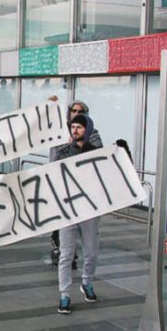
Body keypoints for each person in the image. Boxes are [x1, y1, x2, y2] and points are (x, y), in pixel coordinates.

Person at [48, 99, 103, 267]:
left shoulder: (92, 133)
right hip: (63, 187)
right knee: (62, 226)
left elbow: (97, 154)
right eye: (74, 111)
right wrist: (50, 107)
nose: (77, 114)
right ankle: (63, 252)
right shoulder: (59, 132)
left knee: (87, 230)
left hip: (85, 189)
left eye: (80, 111)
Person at [56, 114, 101, 315]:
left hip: (89, 210)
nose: (75, 130)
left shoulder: (97, 153)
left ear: (87, 129)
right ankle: (65, 294)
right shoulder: (63, 153)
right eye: (72, 127)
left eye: (79, 127)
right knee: (66, 255)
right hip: (67, 211)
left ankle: (86, 281)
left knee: (91, 252)